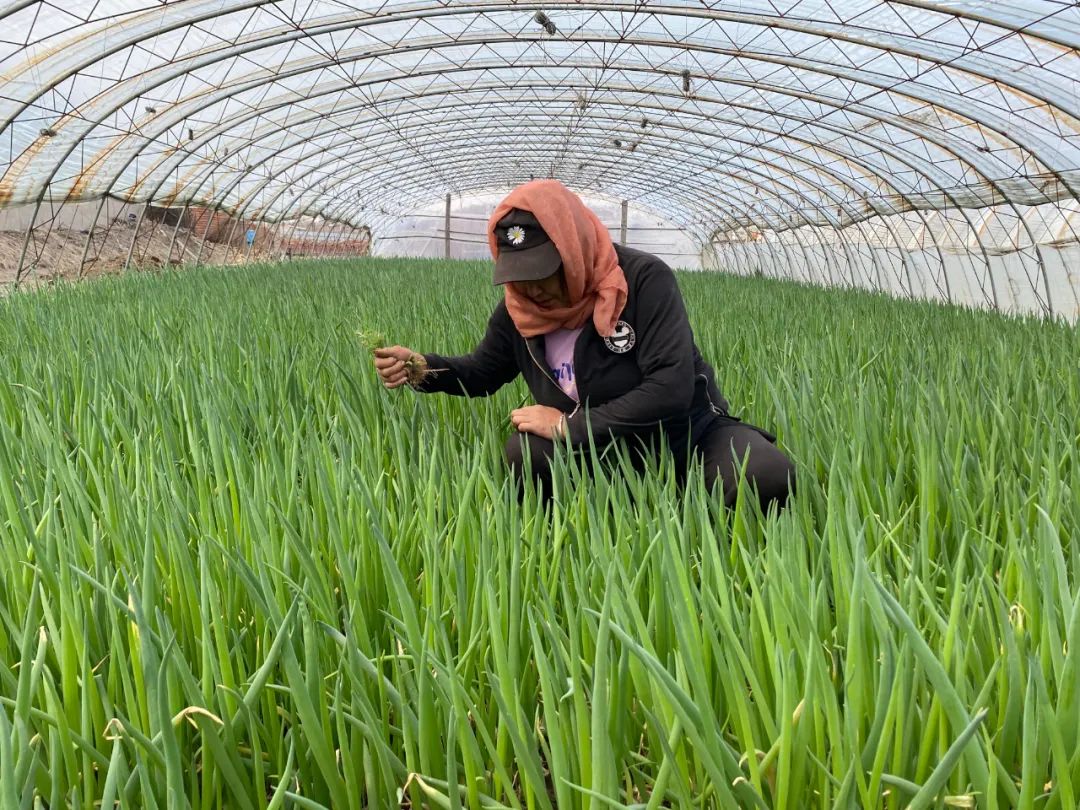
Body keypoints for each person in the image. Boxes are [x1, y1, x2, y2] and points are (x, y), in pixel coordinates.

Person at [374, 180, 794, 511]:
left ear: (572, 249)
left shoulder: (643, 281)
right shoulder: (519, 311)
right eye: (519, 276)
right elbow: (484, 372)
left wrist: (566, 425)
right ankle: (592, 525)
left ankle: (691, 530)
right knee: (526, 454)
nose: (532, 289)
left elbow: (671, 387)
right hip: (601, 448)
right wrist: (422, 368)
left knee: (766, 473)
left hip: (684, 434)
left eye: (544, 273)